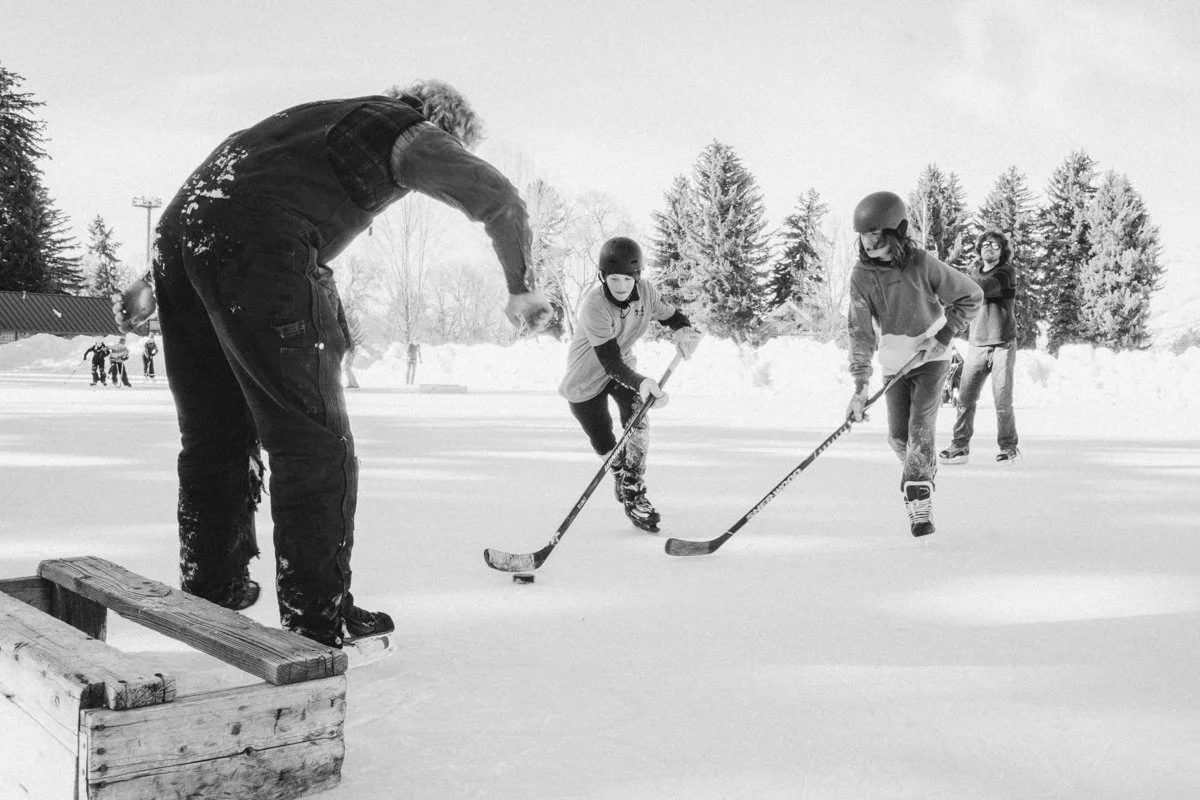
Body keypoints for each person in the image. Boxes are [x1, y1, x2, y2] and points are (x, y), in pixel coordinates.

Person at [112, 80, 552, 652]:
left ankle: (212, 593)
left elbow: (216, 197)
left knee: (213, 437)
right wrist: (522, 288)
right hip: (260, 249)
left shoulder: (298, 122)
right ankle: (318, 621)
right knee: (313, 444)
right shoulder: (407, 132)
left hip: (181, 243)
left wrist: (154, 278)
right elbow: (499, 199)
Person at [845, 191, 982, 537]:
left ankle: (919, 498)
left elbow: (971, 296)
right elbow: (859, 333)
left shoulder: (921, 263)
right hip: (895, 365)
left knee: (920, 427)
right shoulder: (861, 275)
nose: (869, 241)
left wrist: (944, 335)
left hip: (930, 358)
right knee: (897, 438)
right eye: (864, 234)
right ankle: (922, 468)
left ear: (897, 230)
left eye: (876, 233)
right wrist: (860, 388)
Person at [558, 237, 702, 532]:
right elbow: (609, 363)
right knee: (605, 443)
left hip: (623, 370)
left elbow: (673, 317)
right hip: (584, 381)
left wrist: (684, 332)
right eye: (614, 279)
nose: (621, 286)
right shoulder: (594, 306)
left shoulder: (646, 293)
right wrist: (645, 381)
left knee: (638, 413)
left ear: (637, 278)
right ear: (603, 277)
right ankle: (620, 474)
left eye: (627, 278)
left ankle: (634, 491)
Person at [939, 229, 1021, 465]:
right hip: (977, 345)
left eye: (995, 245)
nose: (990, 248)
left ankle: (1008, 448)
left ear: (1002, 251)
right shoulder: (974, 273)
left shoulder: (1006, 272)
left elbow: (982, 288)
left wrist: (952, 278)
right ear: (979, 249)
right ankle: (959, 446)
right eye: (986, 244)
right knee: (964, 399)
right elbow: (961, 299)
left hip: (1003, 345)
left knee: (1002, 402)